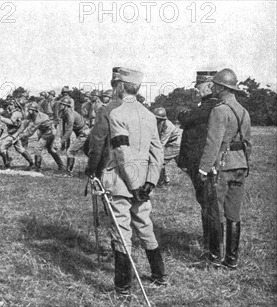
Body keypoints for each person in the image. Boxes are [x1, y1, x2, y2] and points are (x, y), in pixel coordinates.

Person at [85, 67, 167, 296]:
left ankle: (123, 289)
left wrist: (133, 185)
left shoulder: (116, 114)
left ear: (120, 86)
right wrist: (149, 182)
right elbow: (157, 153)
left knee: (121, 232)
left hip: (121, 182)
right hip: (143, 183)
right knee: (145, 226)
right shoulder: (150, 115)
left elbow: (121, 152)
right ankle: (160, 276)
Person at [198, 68, 251, 270]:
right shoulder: (244, 111)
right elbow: (248, 143)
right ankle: (232, 259)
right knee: (234, 214)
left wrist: (204, 169)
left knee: (215, 212)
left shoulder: (219, 110)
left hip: (222, 166)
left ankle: (214, 257)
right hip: (240, 165)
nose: (214, 88)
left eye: (216, 85)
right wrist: (247, 164)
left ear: (221, 87)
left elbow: (213, 142)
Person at [177, 71, 219, 253]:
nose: (196, 89)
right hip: (200, 163)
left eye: (199, 86)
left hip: (204, 164)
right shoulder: (206, 106)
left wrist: (183, 114)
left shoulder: (211, 106)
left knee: (209, 204)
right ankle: (209, 242)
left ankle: (212, 246)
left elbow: (186, 118)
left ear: (210, 86)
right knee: (205, 202)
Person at [13, 102, 63, 172]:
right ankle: (61, 166)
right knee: (50, 150)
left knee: (37, 148)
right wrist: (17, 134)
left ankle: (37, 168)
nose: (28, 111)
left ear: (35, 110)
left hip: (49, 132)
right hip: (43, 132)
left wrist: (21, 135)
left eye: (30, 109)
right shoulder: (31, 115)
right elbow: (23, 125)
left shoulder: (40, 118)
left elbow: (31, 132)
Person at [57, 96, 89, 175]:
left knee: (70, 151)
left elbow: (69, 130)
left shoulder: (70, 114)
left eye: (62, 104)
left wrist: (62, 141)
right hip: (81, 133)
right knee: (88, 152)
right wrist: (62, 139)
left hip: (84, 133)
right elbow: (64, 127)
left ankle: (69, 173)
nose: (60, 106)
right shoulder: (64, 113)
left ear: (66, 106)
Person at [153, 107, 182, 185]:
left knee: (159, 160)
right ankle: (165, 179)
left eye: (158, 118)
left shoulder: (168, 126)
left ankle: (161, 181)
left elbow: (162, 143)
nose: (156, 120)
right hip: (170, 144)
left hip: (175, 145)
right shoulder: (157, 124)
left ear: (163, 119)